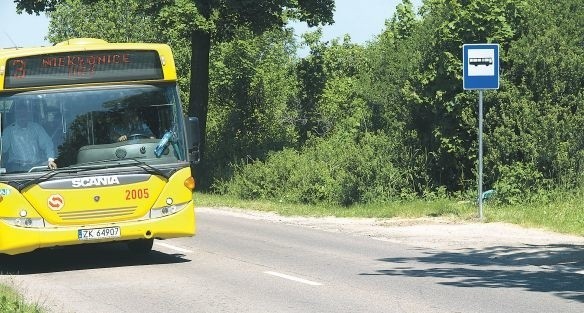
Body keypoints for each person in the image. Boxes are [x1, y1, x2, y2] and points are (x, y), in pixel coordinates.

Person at [1, 102, 57, 172]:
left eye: (24, 112)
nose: (22, 114)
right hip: (15, 168)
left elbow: (47, 144)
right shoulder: (8, 131)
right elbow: (2, 149)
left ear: (28, 113)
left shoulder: (36, 128)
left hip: (35, 166)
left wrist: (50, 160)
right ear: (15, 114)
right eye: (19, 112)